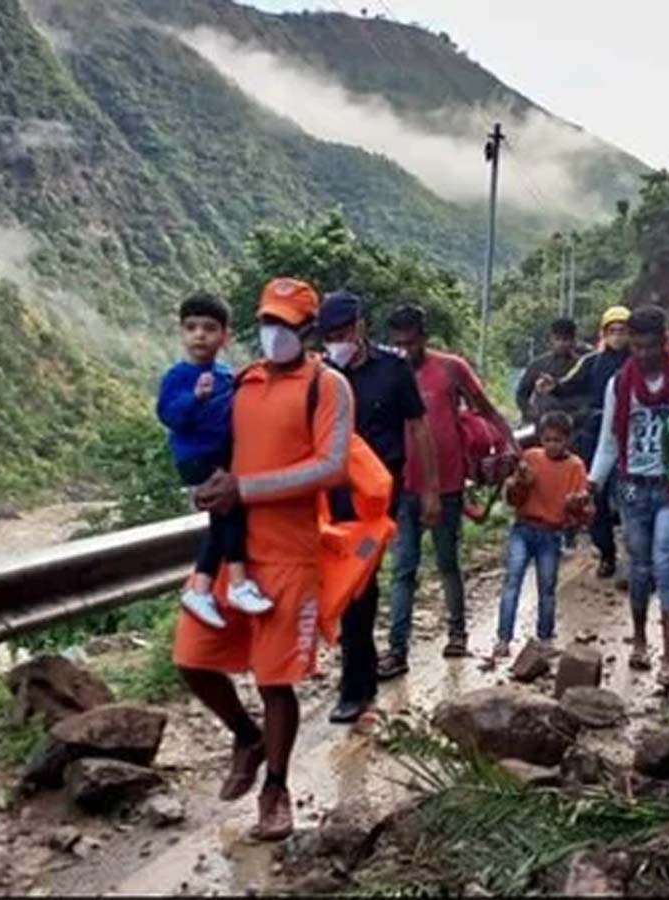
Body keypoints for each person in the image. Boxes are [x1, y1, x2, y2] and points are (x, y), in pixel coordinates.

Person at [174, 277, 355, 842]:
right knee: (192, 659)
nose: (272, 333)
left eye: (284, 323)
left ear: (308, 329)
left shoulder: (329, 386)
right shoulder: (244, 381)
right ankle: (245, 737)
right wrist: (206, 486)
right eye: (266, 321)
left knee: (276, 681)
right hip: (235, 551)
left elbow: (331, 467)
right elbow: (216, 447)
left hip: (291, 556)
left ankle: (275, 790)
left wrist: (244, 489)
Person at [316, 290, 440, 724]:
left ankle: (354, 690)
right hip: (331, 497)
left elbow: (419, 428)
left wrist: (429, 490)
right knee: (348, 588)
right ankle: (361, 679)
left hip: (377, 501)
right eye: (330, 335)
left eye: (344, 332)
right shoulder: (321, 375)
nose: (339, 342)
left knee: (358, 585)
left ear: (362, 326)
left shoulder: (393, 369)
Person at [378, 303, 516, 678]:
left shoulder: (451, 368)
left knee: (447, 561)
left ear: (424, 337)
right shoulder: (389, 372)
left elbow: (485, 408)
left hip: (449, 484)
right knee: (404, 567)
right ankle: (397, 649)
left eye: (411, 342)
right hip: (404, 484)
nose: (405, 350)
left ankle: (457, 632)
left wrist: (511, 445)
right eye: (398, 343)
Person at [588, 305, 669, 688]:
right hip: (631, 486)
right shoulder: (619, 384)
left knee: (666, 560)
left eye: (650, 347)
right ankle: (640, 639)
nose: (643, 355)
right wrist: (592, 483)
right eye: (636, 347)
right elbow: (610, 442)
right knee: (639, 567)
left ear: (665, 343)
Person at [156, 292, 271, 628]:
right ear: (181, 332)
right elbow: (169, 416)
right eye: (191, 327)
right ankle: (236, 584)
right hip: (196, 458)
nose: (199, 335)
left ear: (225, 336)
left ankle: (202, 588)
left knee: (223, 522)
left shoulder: (224, 374)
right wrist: (194, 398)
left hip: (221, 456)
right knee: (230, 512)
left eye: (209, 328)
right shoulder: (178, 376)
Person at [534, 305, 632, 579]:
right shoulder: (592, 362)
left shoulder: (639, 363)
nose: (617, 335)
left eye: (622, 330)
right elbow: (566, 384)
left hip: (631, 439)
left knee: (629, 496)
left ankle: (638, 555)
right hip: (597, 438)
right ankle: (607, 553)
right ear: (604, 333)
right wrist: (551, 386)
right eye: (612, 330)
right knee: (596, 496)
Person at [493, 411, 592, 658]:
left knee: (547, 588)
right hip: (524, 527)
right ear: (540, 438)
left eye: (557, 440)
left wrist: (577, 504)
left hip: (551, 532)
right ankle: (503, 638)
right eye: (547, 439)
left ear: (567, 440)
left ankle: (545, 637)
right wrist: (521, 483)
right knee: (512, 582)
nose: (552, 445)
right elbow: (513, 499)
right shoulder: (530, 458)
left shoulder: (575, 467)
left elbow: (584, 511)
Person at [515, 318, 587, 425]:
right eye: (557, 339)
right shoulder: (538, 365)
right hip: (541, 423)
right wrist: (530, 413)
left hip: (572, 424)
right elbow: (522, 394)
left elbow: (587, 398)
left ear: (573, 340)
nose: (561, 344)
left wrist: (575, 417)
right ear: (551, 340)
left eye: (565, 339)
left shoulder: (583, 365)